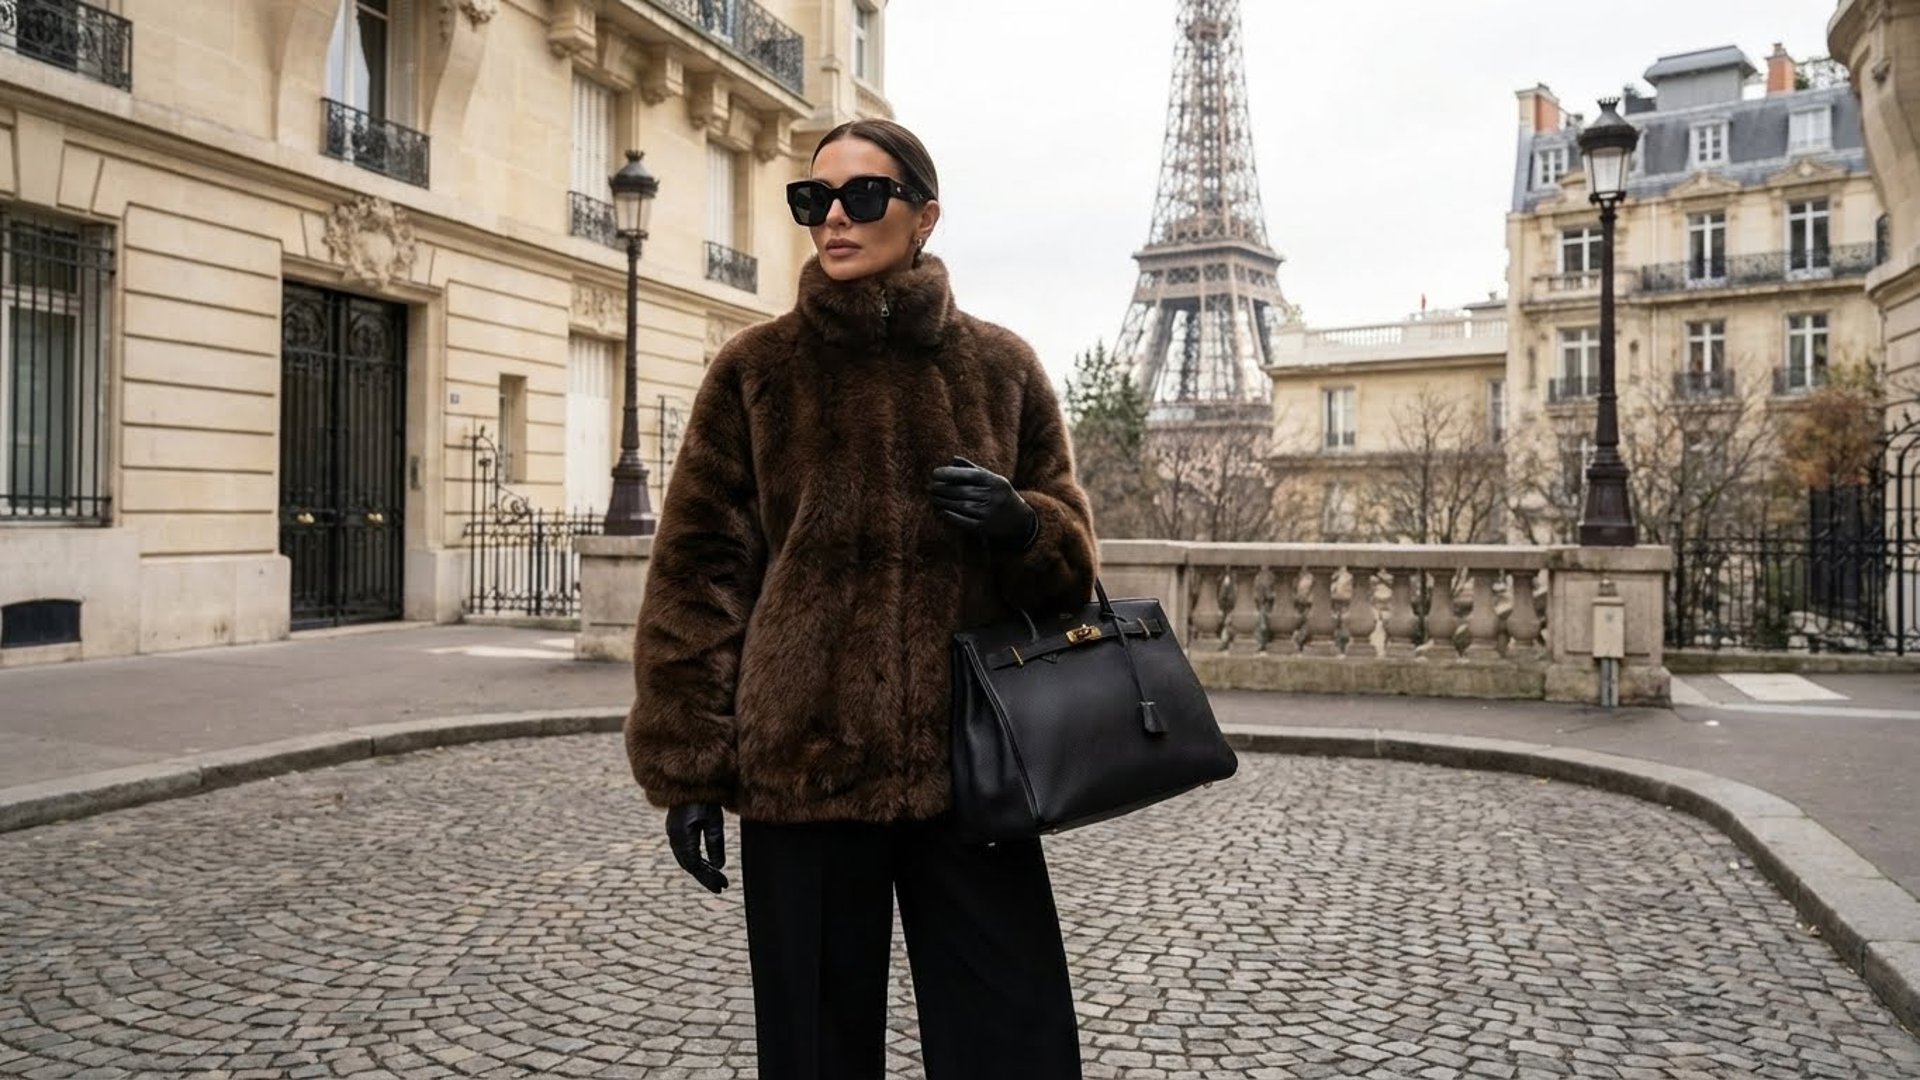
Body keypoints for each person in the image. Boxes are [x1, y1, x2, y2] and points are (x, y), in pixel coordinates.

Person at [622, 118, 1097, 1080]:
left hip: (972, 761)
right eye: (813, 199)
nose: (833, 217)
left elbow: (1074, 562)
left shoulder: (1002, 369)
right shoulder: (754, 372)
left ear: (924, 215)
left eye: (862, 196)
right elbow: (700, 575)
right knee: (815, 1048)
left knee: (1013, 1035)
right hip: (803, 764)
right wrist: (690, 769)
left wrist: (1023, 526)